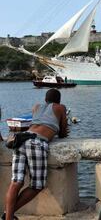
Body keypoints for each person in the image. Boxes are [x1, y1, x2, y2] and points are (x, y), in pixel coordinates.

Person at [3, 89, 69, 220]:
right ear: (59, 100)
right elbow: (62, 132)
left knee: (16, 182)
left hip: (21, 139)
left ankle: (8, 217)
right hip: (36, 143)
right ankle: (8, 214)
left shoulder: (36, 107)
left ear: (45, 100)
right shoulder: (60, 107)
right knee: (37, 185)